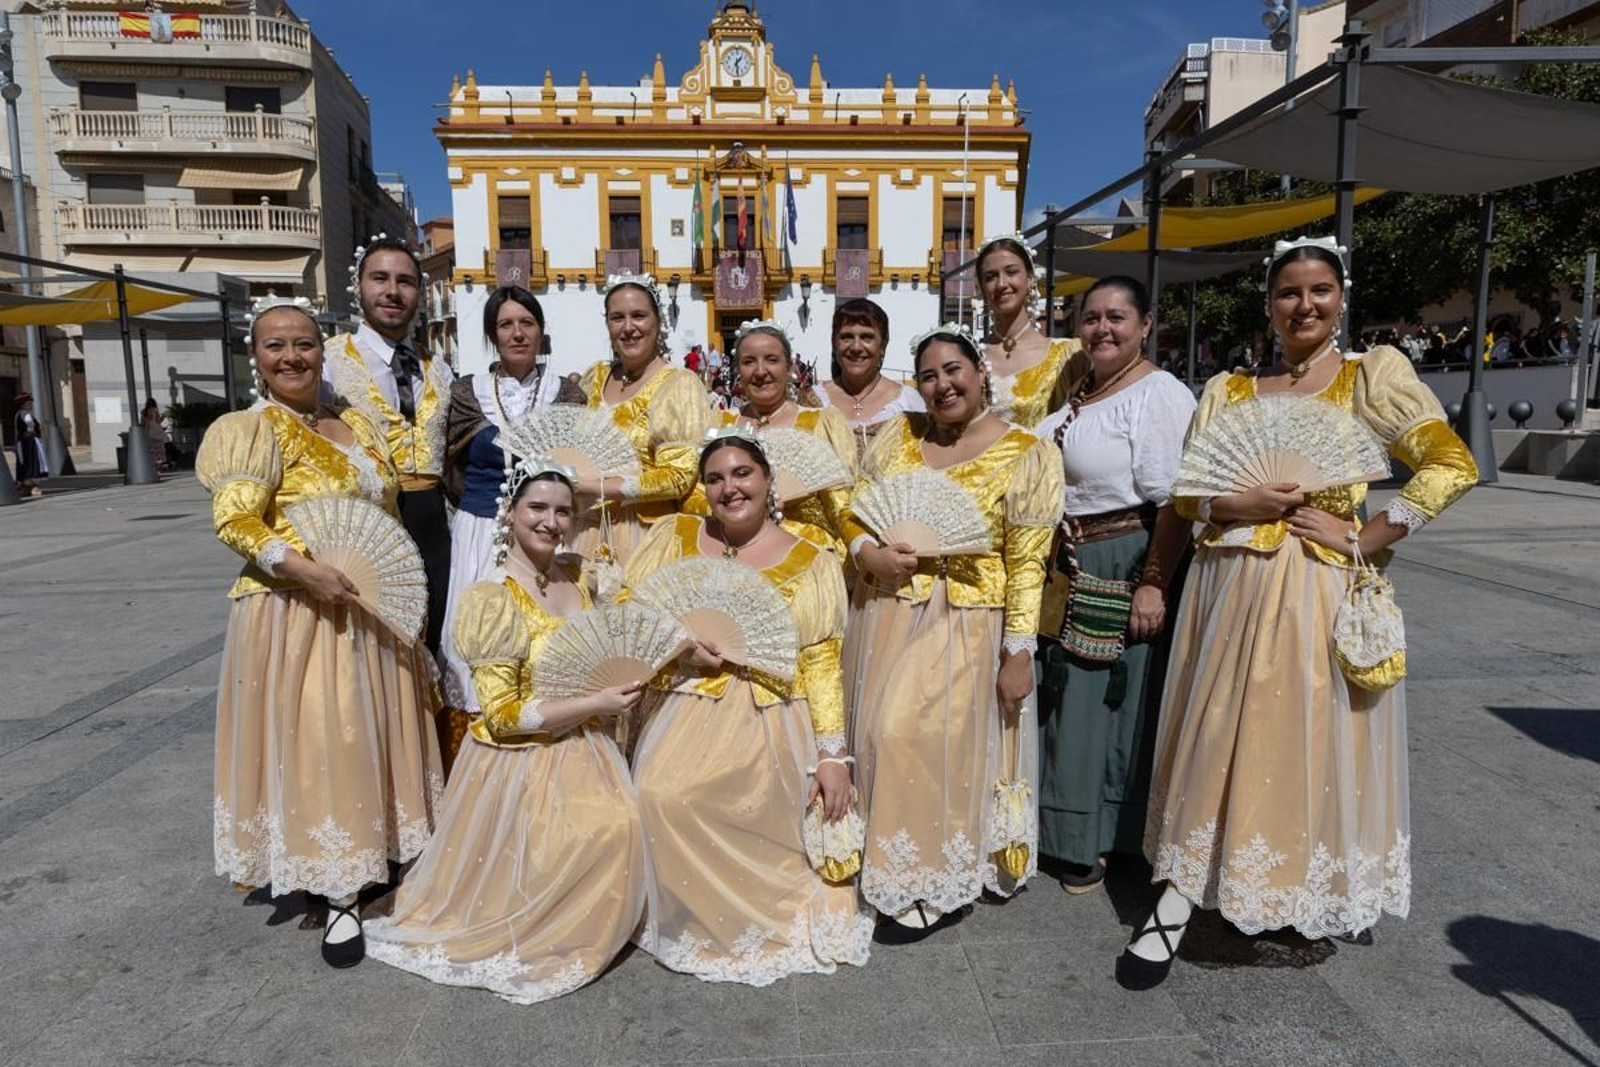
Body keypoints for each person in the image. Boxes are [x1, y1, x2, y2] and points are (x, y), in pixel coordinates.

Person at [1122, 237, 1479, 991]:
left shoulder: (1368, 377)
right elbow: (1189, 497)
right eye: (1289, 292)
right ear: (1269, 304)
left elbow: (1453, 464)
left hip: (1314, 587)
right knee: (1216, 733)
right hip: (1225, 588)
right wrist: (1239, 502)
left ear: (1341, 299)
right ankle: (1178, 895)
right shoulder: (1230, 390)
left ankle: (1287, 882)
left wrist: (1369, 535)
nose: (1304, 305)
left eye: (1320, 290)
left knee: (1298, 739)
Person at [198, 297, 443, 969]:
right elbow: (235, 522)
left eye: (304, 343)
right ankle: (338, 886)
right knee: (326, 740)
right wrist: (306, 570)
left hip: (369, 606)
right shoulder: (252, 429)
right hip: (299, 612)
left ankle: (386, 852)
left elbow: (388, 513)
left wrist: (403, 591)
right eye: (276, 345)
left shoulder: (356, 422)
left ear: (322, 350)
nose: (292, 357)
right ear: (256, 357)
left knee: (374, 733)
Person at [365, 459, 647, 1002]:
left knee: (625, 823)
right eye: (537, 508)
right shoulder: (491, 597)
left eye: (562, 511)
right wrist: (595, 702)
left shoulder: (578, 574)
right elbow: (500, 714)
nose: (550, 522)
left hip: (585, 747)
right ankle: (554, 925)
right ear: (510, 513)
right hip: (520, 757)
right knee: (598, 832)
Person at [624, 429, 872, 984]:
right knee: (661, 793)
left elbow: (821, 663)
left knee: (752, 800)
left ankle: (757, 915)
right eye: (714, 479)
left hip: (770, 710)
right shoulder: (674, 537)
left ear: (767, 480)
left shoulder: (810, 559)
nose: (729, 488)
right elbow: (630, 611)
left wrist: (833, 757)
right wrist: (679, 645)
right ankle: (690, 914)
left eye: (742, 474)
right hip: (688, 702)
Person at [843, 324, 1064, 940]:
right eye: (928, 376)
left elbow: (1027, 562)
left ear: (980, 372)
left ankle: (936, 873)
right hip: (889, 609)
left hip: (967, 619)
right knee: (881, 736)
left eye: (952, 370)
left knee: (930, 742)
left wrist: (1019, 652)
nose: (942, 385)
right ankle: (891, 856)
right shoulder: (898, 438)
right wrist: (867, 553)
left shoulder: (1027, 453)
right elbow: (853, 512)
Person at [1033, 277, 1196, 895]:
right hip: (1069, 558)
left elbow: (1174, 500)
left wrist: (1153, 582)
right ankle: (1067, 829)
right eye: (1092, 317)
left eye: (1117, 316)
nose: (1102, 327)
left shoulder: (1157, 393)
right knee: (1069, 697)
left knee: (1106, 703)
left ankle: (1102, 838)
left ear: (1146, 325)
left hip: (1124, 554)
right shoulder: (1085, 391)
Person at [323, 236, 455, 654]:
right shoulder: (327, 362)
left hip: (434, 527)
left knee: (434, 643)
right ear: (358, 286)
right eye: (380, 278)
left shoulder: (439, 369)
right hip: (366, 526)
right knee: (373, 649)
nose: (392, 291)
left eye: (405, 281)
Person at [438, 286, 556, 752]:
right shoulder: (467, 393)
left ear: (541, 331)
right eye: (506, 324)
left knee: (536, 636)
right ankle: (475, 749)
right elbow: (449, 463)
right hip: (481, 530)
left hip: (547, 534)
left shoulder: (566, 393)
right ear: (492, 334)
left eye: (527, 323)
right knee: (475, 637)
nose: (517, 333)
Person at [570, 272, 711, 571]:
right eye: (617, 318)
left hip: (644, 535)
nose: (628, 327)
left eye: (638, 316)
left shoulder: (678, 384)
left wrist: (597, 486)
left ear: (657, 322)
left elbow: (678, 477)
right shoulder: (594, 377)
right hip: (584, 527)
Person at [681, 321, 856, 553]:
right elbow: (693, 495)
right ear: (738, 370)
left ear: (789, 367)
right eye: (749, 362)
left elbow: (843, 506)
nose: (760, 371)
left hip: (804, 552)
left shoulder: (821, 423)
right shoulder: (719, 423)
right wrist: (739, 508)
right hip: (732, 552)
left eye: (771, 360)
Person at [976, 234, 1087, 429]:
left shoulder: (1067, 356)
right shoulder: (969, 357)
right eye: (990, 277)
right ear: (982, 289)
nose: (1001, 284)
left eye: (1011, 272)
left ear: (1030, 280)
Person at [816, 298, 924, 457]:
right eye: (847, 337)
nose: (856, 347)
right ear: (834, 343)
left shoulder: (908, 402)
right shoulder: (813, 401)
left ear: (883, 344)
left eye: (867, 337)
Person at [12, 393, 48, 495]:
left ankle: (26, 486)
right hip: (28, 444)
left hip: (24, 443)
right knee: (31, 462)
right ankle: (32, 486)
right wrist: (33, 432)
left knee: (25, 462)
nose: (30, 405)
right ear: (23, 404)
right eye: (28, 403)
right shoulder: (25, 414)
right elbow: (29, 428)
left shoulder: (19, 414)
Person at [141, 398, 170, 471]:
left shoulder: (143, 412)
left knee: (152, 450)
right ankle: (159, 466)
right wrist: (164, 416)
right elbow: (158, 421)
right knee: (159, 450)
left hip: (148, 433)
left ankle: (153, 466)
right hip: (157, 433)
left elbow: (142, 423)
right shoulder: (155, 411)